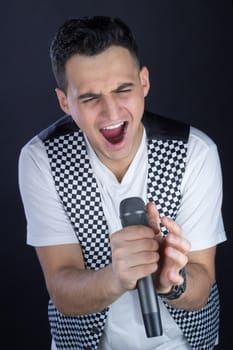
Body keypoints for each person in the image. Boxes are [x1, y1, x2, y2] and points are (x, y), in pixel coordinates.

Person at [18, 16, 226, 350]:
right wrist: (116, 277)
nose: (110, 111)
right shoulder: (41, 159)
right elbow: (62, 290)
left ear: (144, 82)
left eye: (123, 89)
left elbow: (201, 285)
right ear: (64, 101)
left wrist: (172, 282)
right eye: (89, 98)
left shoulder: (195, 152)